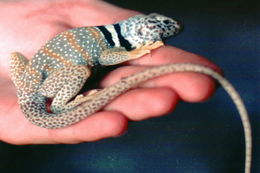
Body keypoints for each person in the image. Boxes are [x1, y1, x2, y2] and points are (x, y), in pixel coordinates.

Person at [0, 0, 220, 145]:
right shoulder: (117, 43)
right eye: (160, 27)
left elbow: (106, 55)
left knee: (17, 57)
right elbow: (106, 57)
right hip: (42, 90)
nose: (162, 31)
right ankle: (60, 105)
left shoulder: (114, 35)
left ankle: (47, 97)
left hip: (32, 84)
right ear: (140, 28)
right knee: (79, 72)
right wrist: (135, 53)